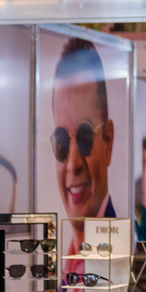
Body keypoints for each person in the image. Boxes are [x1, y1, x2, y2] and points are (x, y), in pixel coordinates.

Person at [53, 39, 116, 251]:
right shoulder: (69, 268)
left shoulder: (119, 259)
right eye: (61, 140)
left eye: (85, 137)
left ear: (108, 141)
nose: (72, 163)